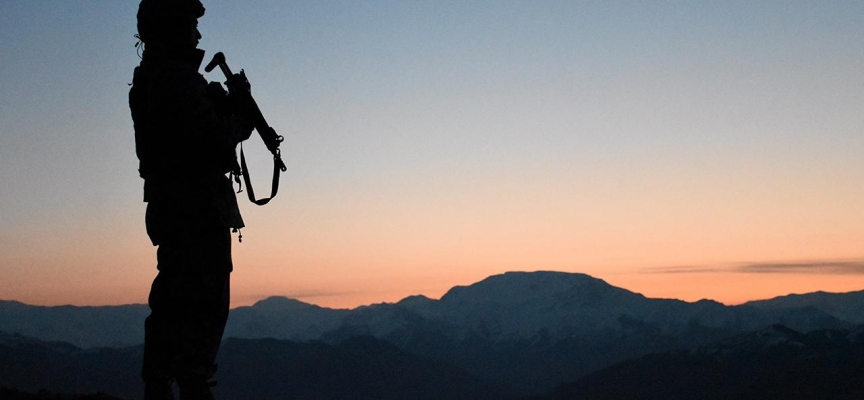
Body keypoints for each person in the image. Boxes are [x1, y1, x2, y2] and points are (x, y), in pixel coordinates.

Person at [129, 1, 252, 399]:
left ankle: (162, 386)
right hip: (196, 211)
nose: (198, 35)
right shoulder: (176, 80)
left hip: (176, 209)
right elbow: (211, 141)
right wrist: (239, 122)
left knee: (172, 304)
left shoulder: (155, 78)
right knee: (200, 311)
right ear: (172, 28)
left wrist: (221, 109)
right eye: (190, 26)